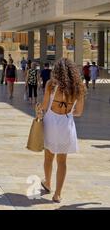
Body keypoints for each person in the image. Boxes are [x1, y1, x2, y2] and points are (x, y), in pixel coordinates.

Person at [41, 58, 85, 203]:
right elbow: (78, 112)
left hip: (51, 123)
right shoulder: (78, 87)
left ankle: (47, 183)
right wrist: (69, 109)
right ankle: (57, 194)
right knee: (62, 161)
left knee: (48, 156)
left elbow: (44, 107)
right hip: (66, 124)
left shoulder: (51, 85)